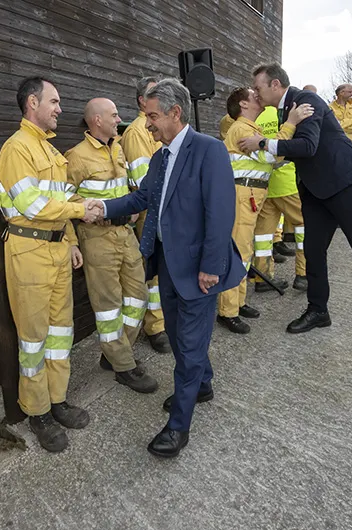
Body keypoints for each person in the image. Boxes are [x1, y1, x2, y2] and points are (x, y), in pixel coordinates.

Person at [89, 78, 246, 457]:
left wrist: (211, 266)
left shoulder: (208, 150)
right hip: (170, 267)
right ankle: (202, 383)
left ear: (176, 113)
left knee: (189, 348)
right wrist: (105, 208)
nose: (147, 125)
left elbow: (221, 212)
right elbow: (145, 197)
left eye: (153, 116)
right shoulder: (160, 158)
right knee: (177, 338)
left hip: (199, 271)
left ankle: (179, 427)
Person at [240, 64, 352, 354]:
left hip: (343, 183)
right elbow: (294, 149)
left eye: (258, 87)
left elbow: (308, 146)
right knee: (313, 250)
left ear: (275, 84)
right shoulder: (283, 111)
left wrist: (261, 142)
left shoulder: (307, 101)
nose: (256, 93)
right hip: (316, 189)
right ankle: (318, 310)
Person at [0, 77, 99, 453]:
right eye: (54, 101)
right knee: (34, 340)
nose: (60, 109)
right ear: (32, 103)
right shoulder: (17, 148)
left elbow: (59, 201)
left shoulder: (50, 151)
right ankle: (37, 413)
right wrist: (81, 210)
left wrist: (69, 240)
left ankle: (58, 400)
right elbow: (32, 205)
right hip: (29, 253)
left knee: (59, 335)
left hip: (54, 250)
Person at [65, 98, 159, 393]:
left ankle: (116, 353)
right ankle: (123, 365)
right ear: (96, 120)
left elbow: (129, 187)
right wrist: (72, 240)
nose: (119, 119)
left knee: (137, 296)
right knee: (108, 307)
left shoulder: (118, 148)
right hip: (97, 239)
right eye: (114, 114)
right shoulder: (76, 157)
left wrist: (132, 206)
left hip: (125, 234)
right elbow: (65, 202)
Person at [216, 88, 312, 335]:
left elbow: (273, 155)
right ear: (243, 105)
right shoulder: (241, 129)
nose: (258, 97)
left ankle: (238, 302)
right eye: (253, 95)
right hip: (242, 196)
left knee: (244, 251)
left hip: (250, 195)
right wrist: (291, 124)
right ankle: (228, 312)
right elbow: (270, 156)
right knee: (239, 252)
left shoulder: (251, 129)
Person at [120, 76, 172, 354]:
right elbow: (144, 181)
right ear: (141, 100)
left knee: (162, 273)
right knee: (152, 276)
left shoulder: (157, 126)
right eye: (154, 93)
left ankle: (162, 321)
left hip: (162, 210)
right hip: (148, 212)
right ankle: (155, 327)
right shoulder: (137, 132)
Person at [251, 105, 308, 294]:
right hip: (287, 183)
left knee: (263, 234)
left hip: (265, 183)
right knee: (303, 227)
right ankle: (303, 274)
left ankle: (263, 276)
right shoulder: (289, 114)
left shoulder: (258, 116)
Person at [329, 83, 352, 147]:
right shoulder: (329, 108)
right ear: (342, 93)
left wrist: (343, 124)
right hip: (336, 146)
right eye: (350, 92)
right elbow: (334, 127)